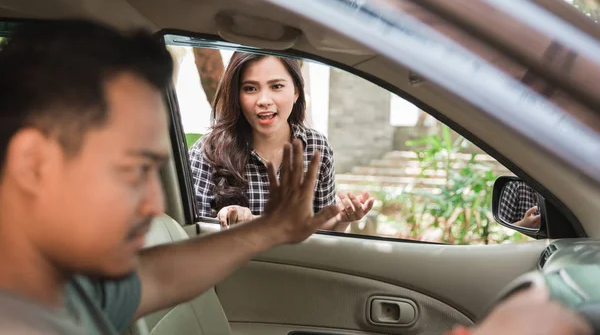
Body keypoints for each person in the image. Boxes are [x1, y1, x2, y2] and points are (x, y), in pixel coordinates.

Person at [0, 20, 590, 335]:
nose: (155, 203)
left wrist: (275, 229)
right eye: (134, 171)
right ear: (33, 163)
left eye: (159, 169)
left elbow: (156, 277)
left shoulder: (76, 287)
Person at [189, 51, 374, 230]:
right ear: (237, 95)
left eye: (276, 86)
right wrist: (230, 219)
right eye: (250, 88)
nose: (264, 100)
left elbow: (322, 236)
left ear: (296, 92)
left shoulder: (317, 148)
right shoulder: (207, 152)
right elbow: (194, 237)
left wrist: (342, 219)